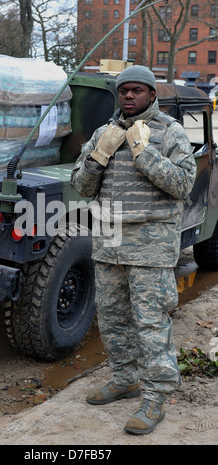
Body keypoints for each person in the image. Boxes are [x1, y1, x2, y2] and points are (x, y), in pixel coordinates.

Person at [71, 65, 196, 435]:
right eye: (123, 90)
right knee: (111, 319)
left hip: (150, 245)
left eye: (137, 90)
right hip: (109, 244)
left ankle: (155, 397)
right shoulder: (103, 133)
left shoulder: (169, 131)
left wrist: (145, 154)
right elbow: (82, 187)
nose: (128, 96)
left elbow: (183, 184)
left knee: (151, 323)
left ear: (151, 95)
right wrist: (98, 157)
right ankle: (126, 379)